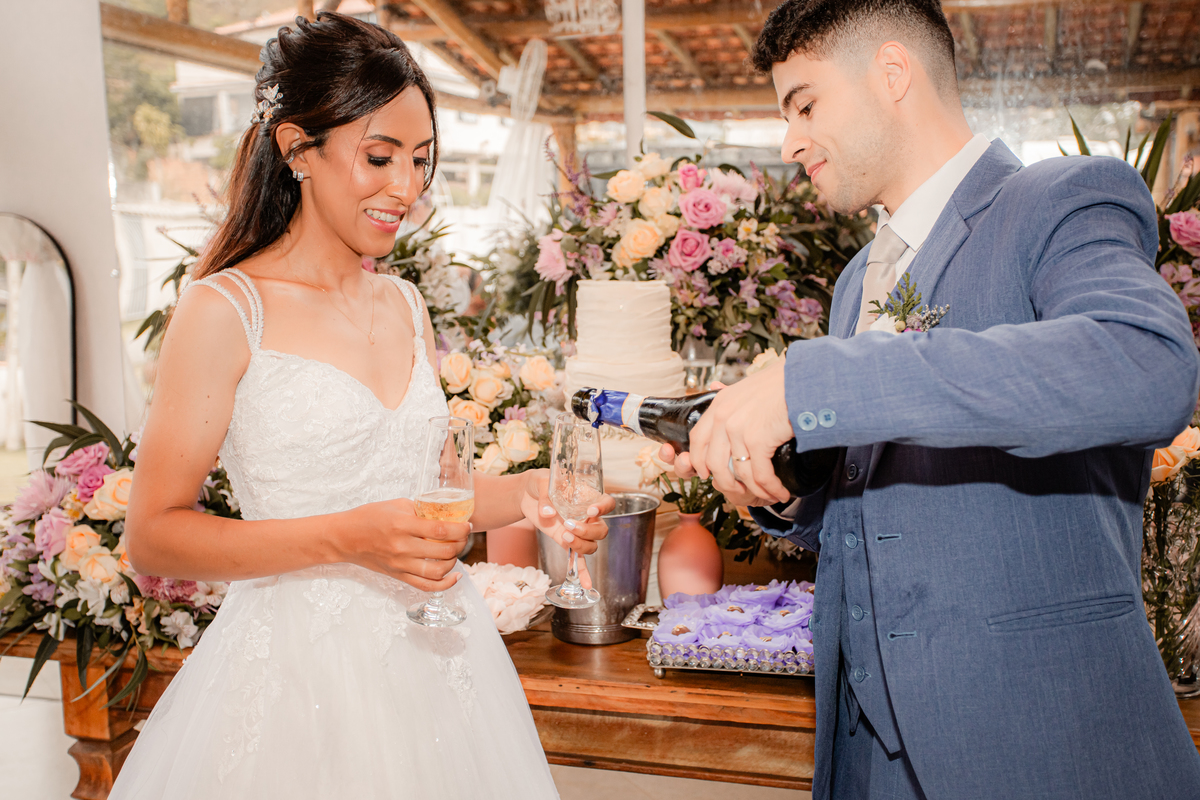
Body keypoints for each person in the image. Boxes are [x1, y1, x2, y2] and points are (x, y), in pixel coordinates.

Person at [662, 1, 1200, 797]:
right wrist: (780, 482)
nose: (790, 142)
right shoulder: (856, 283)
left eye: (805, 105)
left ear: (891, 73)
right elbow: (873, 512)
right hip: (865, 756)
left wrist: (813, 382)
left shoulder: (1059, 199)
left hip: (1033, 742)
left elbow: (1146, 364)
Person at [111, 14, 609, 799]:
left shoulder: (405, 303)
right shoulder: (226, 310)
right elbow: (154, 536)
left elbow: (431, 496)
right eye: (379, 157)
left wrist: (530, 494)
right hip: (293, 682)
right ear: (296, 149)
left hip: (438, 663)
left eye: (421, 160)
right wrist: (347, 537)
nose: (406, 189)